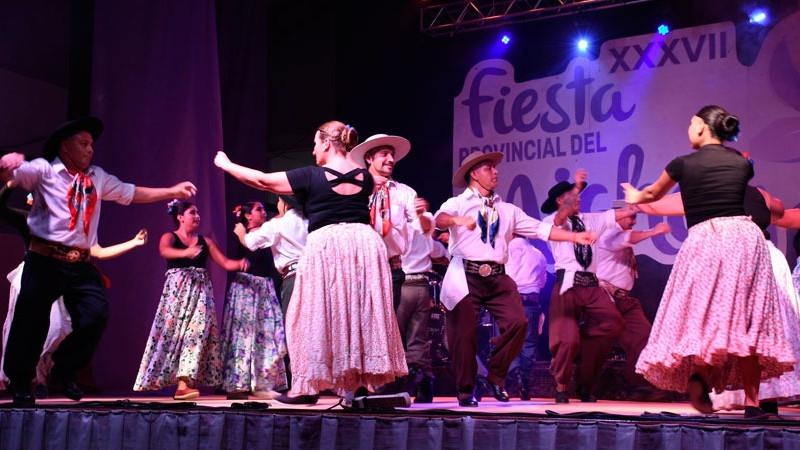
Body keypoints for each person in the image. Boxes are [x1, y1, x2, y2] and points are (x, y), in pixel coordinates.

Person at [0, 116, 196, 405]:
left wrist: (172, 191)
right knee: (31, 322)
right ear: (65, 147)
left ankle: (64, 370)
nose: (90, 149)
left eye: (91, 144)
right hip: (44, 260)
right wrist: (7, 165)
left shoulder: (97, 177)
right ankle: (20, 382)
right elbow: (16, 175)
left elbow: (131, 193)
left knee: (96, 314)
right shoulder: (45, 170)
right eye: (83, 144)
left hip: (80, 262)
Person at [214, 121, 407, 405]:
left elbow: (262, 181)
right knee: (356, 313)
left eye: (316, 143)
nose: (314, 150)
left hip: (328, 244)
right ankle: (359, 385)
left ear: (327, 143)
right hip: (364, 245)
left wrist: (227, 165)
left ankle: (305, 387)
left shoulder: (311, 175)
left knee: (309, 315)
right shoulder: (365, 177)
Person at [621, 105, 795, 417]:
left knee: (705, 315)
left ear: (702, 126)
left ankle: (701, 374)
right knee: (748, 322)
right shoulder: (741, 164)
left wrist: (635, 196)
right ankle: (752, 404)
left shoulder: (683, 164)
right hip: (745, 238)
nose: (689, 128)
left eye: (691, 123)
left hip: (707, 238)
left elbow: (652, 195)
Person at [433, 151, 596, 407]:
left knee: (519, 323)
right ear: (474, 173)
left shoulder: (507, 210)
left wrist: (574, 237)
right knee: (463, 335)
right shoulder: (458, 202)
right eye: (489, 168)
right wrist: (456, 219)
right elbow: (439, 219)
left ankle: (495, 376)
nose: (496, 171)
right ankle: (466, 390)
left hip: (497, 275)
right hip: (465, 274)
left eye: (495, 167)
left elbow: (541, 229)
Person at [637, 185, 800, 413]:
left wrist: (638, 198)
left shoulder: (705, 191)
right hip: (761, 255)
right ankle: (757, 401)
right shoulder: (759, 194)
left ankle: (704, 375)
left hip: (726, 256)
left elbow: (653, 206)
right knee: (755, 333)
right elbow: (780, 212)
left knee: (716, 327)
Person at [0, 183, 148, 393]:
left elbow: (97, 252)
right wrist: (9, 185)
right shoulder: (29, 220)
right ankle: (27, 380)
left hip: (62, 278)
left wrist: (133, 243)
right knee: (32, 328)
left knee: (59, 330)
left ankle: (48, 376)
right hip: (35, 276)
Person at [134, 200, 248, 400]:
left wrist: (239, 263)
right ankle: (174, 382)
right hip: (177, 294)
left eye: (198, 212)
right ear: (180, 217)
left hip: (200, 294)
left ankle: (184, 385)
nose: (197, 216)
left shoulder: (206, 241)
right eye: (192, 212)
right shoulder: (170, 237)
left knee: (196, 334)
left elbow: (224, 262)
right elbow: (164, 250)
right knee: (173, 336)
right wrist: (186, 252)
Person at [540, 171, 636, 403]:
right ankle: (561, 385)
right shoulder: (550, 222)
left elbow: (623, 213)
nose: (578, 197)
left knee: (612, 323)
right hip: (567, 283)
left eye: (578, 194)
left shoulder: (592, 219)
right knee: (566, 340)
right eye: (571, 195)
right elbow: (560, 219)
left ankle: (585, 382)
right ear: (559, 200)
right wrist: (577, 186)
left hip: (591, 284)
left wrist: (640, 201)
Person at [595, 205, 670, 399]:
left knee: (643, 337)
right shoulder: (607, 234)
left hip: (624, 300)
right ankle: (587, 385)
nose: (633, 221)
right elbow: (628, 238)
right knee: (598, 342)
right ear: (616, 217)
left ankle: (641, 386)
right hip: (605, 298)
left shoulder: (618, 236)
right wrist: (654, 231)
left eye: (635, 217)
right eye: (630, 217)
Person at [235, 195, 307, 391]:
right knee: (309, 328)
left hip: (294, 276)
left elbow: (250, 242)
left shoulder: (277, 224)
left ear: (285, 204)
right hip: (312, 275)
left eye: (278, 202)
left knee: (293, 329)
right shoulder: (306, 220)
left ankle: (301, 385)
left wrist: (241, 232)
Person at [221, 201, 287, 400]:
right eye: (259, 210)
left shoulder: (268, 232)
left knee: (267, 336)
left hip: (265, 288)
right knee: (243, 337)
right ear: (248, 216)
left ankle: (263, 384)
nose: (264, 212)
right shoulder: (240, 233)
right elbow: (238, 253)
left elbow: (279, 216)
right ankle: (238, 383)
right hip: (246, 289)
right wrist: (240, 218)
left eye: (264, 209)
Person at [395, 197, 447, 403]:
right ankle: (424, 383)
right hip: (422, 287)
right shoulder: (426, 232)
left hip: (403, 285)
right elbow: (441, 254)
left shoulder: (401, 229)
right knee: (419, 338)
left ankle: (399, 383)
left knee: (397, 337)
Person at [504, 235, 547, 400]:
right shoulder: (539, 254)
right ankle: (525, 378)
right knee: (528, 343)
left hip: (511, 301)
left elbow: (503, 276)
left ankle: (515, 373)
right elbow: (542, 282)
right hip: (531, 302)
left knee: (510, 340)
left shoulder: (507, 249)